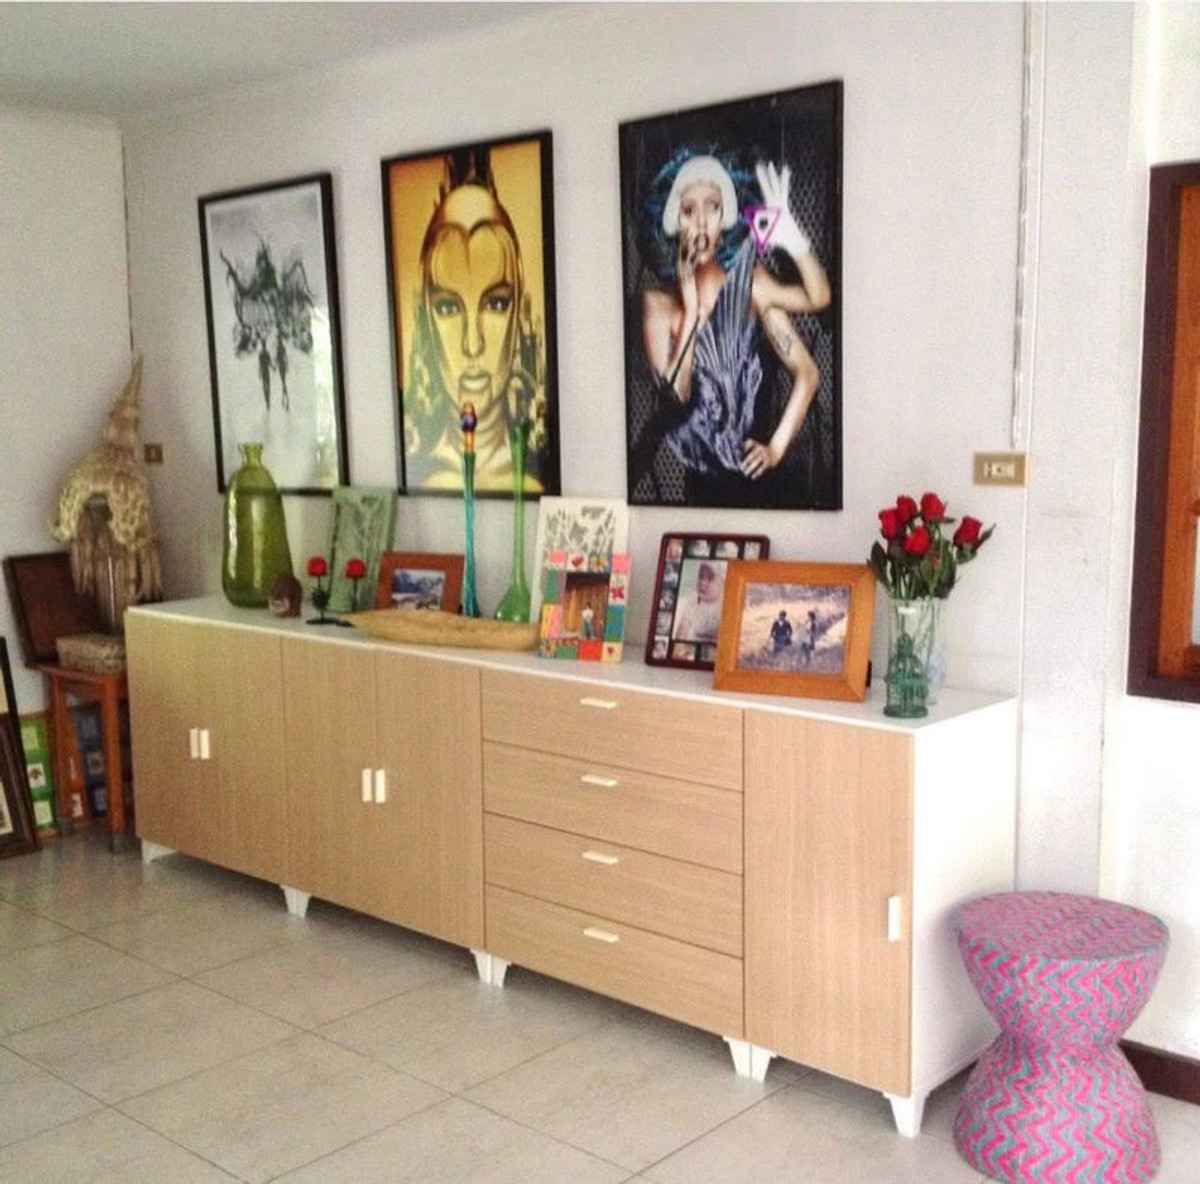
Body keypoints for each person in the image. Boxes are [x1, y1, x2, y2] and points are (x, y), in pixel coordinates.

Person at [640, 153, 831, 504]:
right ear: (674, 220)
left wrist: (776, 448)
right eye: (688, 210)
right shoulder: (658, 306)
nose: (701, 222)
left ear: (724, 216)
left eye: (712, 207)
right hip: (697, 495)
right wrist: (692, 310)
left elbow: (816, 314)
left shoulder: (752, 287)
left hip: (760, 488)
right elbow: (677, 398)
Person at [404, 155, 548, 493]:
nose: (473, 344)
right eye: (448, 307)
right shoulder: (423, 471)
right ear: (426, 321)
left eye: (496, 304)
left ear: (518, 314)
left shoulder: (532, 475)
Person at [672, 560, 725, 643]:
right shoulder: (694, 601)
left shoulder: (724, 603)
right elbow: (683, 628)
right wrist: (679, 644)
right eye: (701, 576)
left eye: (710, 578)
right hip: (697, 641)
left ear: (722, 584)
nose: (702, 582)